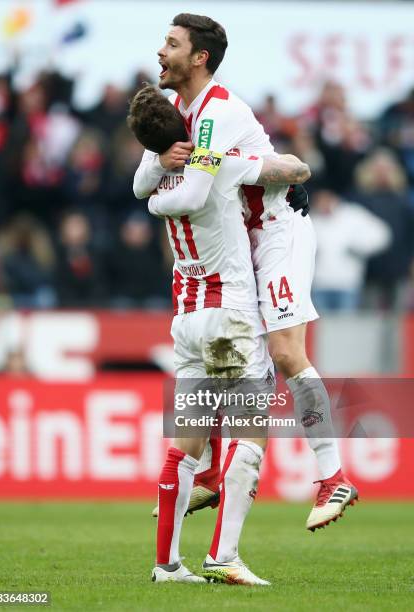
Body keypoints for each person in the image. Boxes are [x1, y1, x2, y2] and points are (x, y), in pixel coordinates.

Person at [140, 12, 357, 539]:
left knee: (283, 353)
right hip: (241, 242)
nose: (160, 52)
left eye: (171, 44)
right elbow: (152, 177)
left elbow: (206, 184)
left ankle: (333, 476)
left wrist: (284, 170)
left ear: (199, 58)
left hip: (277, 232)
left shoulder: (216, 111)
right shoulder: (175, 109)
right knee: (230, 360)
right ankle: (212, 472)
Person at [131, 76, 310, 585]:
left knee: (184, 444)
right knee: (251, 428)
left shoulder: (158, 179)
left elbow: (152, 192)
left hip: (186, 319)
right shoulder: (216, 165)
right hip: (227, 318)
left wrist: (153, 185)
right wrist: (294, 167)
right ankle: (223, 556)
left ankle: (166, 565)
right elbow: (286, 169)